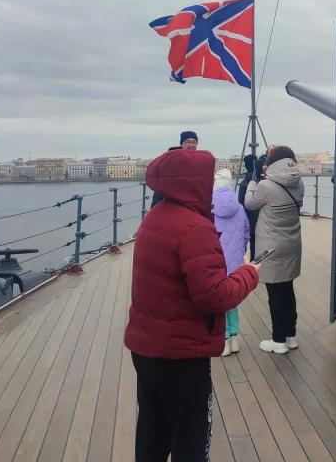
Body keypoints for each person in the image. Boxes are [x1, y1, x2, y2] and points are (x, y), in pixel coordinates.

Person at [124, 149, 260, 461]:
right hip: (182, 355)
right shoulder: (195, 228)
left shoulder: (153, 219)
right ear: (194, 182)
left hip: (146, 348)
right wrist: (249, 274)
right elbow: (214, 295)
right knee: (190, 438)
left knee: (152, 430)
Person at [244, 145, 304, 354]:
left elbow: (249, 204)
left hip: (271, 246)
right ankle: (291, 336)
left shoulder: (266, 186)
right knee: (287, 289)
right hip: (293, 242)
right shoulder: (300, 182)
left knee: (275, 293)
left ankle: (278, 341)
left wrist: (253, 180)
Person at [212, 168, 251, 355]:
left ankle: (224, 340)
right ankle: (235, 338)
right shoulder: (240, 207)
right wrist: (241, 250)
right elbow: (246, 233)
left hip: (216, 260)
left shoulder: (208, 206)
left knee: (219, 301)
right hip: (235, 260)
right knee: (232, 299)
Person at [151, 131, 199, 208]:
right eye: (188, 142)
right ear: (181, 143)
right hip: (170, 199)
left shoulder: (197, 160)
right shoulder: (171, 159)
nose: (192, 145)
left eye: (194, 142)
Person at [238, 154, 259, 259]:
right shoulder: (262, 181)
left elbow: (240, 203)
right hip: (263, 221)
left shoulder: (244, 184)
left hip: (249, 221)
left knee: (251, 246)